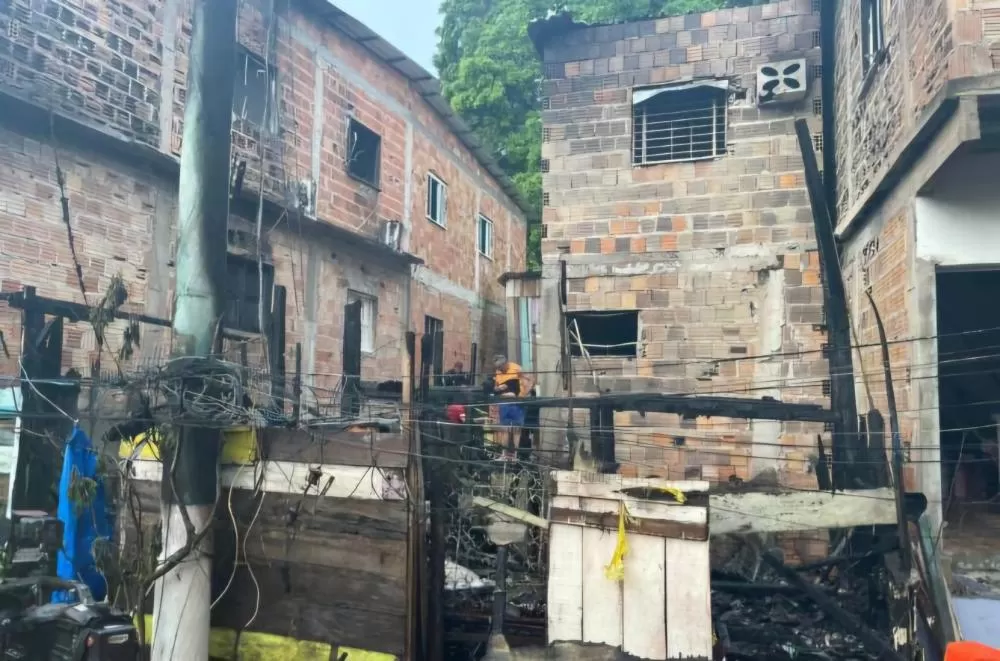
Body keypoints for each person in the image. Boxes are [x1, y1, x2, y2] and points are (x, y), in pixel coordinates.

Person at [493, 354, 531, 461]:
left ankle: (514, 455)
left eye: (501, 367)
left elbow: (530, 380)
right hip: (504, 403)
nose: (500, 370)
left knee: (516, 430)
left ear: (506, 364)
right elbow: (495, 387)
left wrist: (523, 394)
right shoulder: (498, 372)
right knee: (504, 429)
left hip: (517, 403)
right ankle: (504, 454)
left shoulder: (516, 368)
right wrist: (498, 388)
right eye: (498, 368)